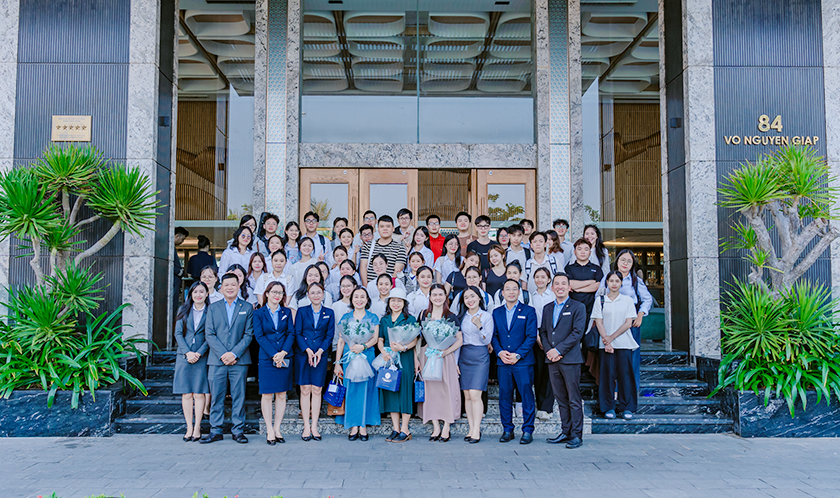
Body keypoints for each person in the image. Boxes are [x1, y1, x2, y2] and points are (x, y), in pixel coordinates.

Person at [201, 273, 254, 444]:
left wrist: (234, 354)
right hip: (217, 360)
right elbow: (209, 333)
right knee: (217, 395)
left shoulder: (247, 307)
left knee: (239, 395)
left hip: (239, 361)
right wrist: (224, 354)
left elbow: (248, 334)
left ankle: (238, 430)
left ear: (239, 286)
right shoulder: (213, 308)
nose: (230, 287)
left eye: (233, 284)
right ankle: (215, 430)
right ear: (221, 287)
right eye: (226, 285)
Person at [539, 273, 586, 449]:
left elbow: (577, 333)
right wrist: (549, 352)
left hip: (570, 360)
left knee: (573, 399)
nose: (560, 286)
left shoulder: (578, 307)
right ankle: (566, 431)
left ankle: (576, 435)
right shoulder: (547, 308)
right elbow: (543, 332)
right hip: (552, 360)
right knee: (560, 398)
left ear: (569, 287)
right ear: (552, 288)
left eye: (563, 284)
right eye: (556, 283)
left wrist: (558, 350)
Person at [599, 249, 654, 390]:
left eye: (629, 261)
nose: (625, 263)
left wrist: (640, 314)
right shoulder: (607, 278)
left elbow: (647, 299)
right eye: (623, 260)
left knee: (632, 360)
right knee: (611, 359)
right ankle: (613, 393)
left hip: (630, 324)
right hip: (610, 324)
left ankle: (630, 393)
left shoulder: (636, 280)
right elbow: (598, 299)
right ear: (617, 261)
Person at [492, 279, 538, 444]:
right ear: (502, 293)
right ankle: (507, 429)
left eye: (514, 289)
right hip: (503, 362)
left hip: (522, 362)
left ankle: (527, 430)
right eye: (507, 289)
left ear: (519, 292)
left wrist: (518, 354)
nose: (511, 292)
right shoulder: (496, 312)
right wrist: (499, 352)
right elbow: (494, 335)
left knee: (526, 395)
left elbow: (531, 336)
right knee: (504, 395)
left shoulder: (529, 311)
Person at [416, 284, 462, 442]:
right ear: (430, 297)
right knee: (431, 391)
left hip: (444, 356)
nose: (437, 297)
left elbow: (459, 340)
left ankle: (447, 426)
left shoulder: (451, 316)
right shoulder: (423, 315)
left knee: (446, 389)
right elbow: (418, 339)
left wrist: (445, 352)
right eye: (434, 294)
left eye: (440, 294)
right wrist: (417, 359)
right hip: (427, 355)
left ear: (445, 296)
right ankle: (435, 425)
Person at [334, 287, 381, 440]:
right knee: (351, 390)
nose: (359, 299)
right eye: (356, 297)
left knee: (366, 390)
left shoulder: (373, 317)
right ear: (351, 299)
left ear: (367, 300)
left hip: (366, 356)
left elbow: (374, 338)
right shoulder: (345, 318)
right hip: (349, 357)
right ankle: (353, 425)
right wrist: (337, 363)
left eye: (362, 297)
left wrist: (364, 346)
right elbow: (341, 341)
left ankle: (363, 425)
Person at [593, 271, 640, 420]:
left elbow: (628, 323)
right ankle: (608, 407)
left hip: (623, 344)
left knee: (625, 376)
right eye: (611, 280)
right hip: (605, 345)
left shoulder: (627, 300)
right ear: (606, 282)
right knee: (607, 377)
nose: (614, 283)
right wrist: (606, 340)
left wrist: (611, 338)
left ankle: (627, 407)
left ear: (621, 283)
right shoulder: (600, 300)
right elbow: (598, 322)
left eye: (617, 281)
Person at [253, 281, 294, 444]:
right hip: (266, 357)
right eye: (274, 292)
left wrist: (283, 353)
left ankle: (277, 428)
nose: (277, 295)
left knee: (282, 394)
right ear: (267, 293)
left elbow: (291, 333)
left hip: (284, 355)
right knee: (267, 394)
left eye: (281, 292)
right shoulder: (259, 313)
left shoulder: (287, 312)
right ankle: (269, 429)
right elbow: (259, 336)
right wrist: (274, 355)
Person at [294, 282, 335, 441]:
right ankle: (306, 426)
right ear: (308, 295)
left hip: (321, 355)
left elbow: (329, 335)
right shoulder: (302, 311)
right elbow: (297, 333)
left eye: (319, 292)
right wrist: (308, 350)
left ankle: (315, 426)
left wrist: (319, 351)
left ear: (323, 294)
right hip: (304, 354)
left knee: (317, 389)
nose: (316, 295)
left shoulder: (329, 312)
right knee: (305, 389)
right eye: (313, 293)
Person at [377, 288, 418, 443]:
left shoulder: (410, 319)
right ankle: (395, 428)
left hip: (404, 357)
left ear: (404, 303)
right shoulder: (384, 320)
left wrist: (404, 348)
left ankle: (405, 429)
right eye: (393, 300)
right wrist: (383, 352)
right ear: (389, 302)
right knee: (391, 390)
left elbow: (414, 340)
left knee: (405, 391)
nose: (396, 303)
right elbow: (380, 339)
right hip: (388, 358)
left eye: (399, 301)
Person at [173, 281, 210, 442]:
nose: (198, 295)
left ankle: (197, 427)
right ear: (191, 294)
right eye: (195, 292)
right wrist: (188, 352)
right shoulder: (183, 310)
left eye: (202, 292)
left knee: (199, 394)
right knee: (187, 394)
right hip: (184, 356)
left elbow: (211, 335)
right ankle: (189, 427)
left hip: (202, 356)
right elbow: (178, 334)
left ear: (207, 294)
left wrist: (199, 353)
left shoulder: (211, 311)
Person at [457, 286, 493, 443]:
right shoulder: (461, 317)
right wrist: (456, 362)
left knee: (475, 394)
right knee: (466, 395)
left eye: (472, 296)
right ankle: (470, 428)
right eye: (466, 298)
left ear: (479, 298)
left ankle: (476, 429)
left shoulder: (486, 316)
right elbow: (458, 341)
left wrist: (479, 325)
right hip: (464, 355)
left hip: (480, 356)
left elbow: (487, 340)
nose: (470, 300)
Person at [529, 267, 556, 420]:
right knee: (538, 373)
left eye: (543, 277)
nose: (540, 280)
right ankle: (539, 405)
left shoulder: (553, 296)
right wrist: (538, 337)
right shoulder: (530, 297)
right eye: (537, 277)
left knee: (549, 373)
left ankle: (547, 407)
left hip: (551, 335)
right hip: (535, 335)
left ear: (548, 280)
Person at [565, 238, 604, 323]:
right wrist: (590, 282)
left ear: (590, 252)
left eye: (586, 249)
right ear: (574, 252)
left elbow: (598, 286)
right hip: (572, 308)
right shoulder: (569, 268)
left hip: (591, 308)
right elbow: (570, 284)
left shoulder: (596, 269)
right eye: (579, 249)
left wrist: (579, 289)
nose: (583, 252)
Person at [360, 216, 406, 286]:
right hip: (371, 288)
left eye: (388, 226)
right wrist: (367, 287)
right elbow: (363, 267)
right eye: (382, 226)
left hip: (389, 288)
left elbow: (397, 272)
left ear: (393, 228)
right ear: (378, 229)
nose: (385, 229)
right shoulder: (368, 245)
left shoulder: (400, 248)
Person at [174, 227, 189, 313]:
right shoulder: (170, 249)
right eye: (182, 239)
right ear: (177, 236)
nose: (182, 242)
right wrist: (181, 272)